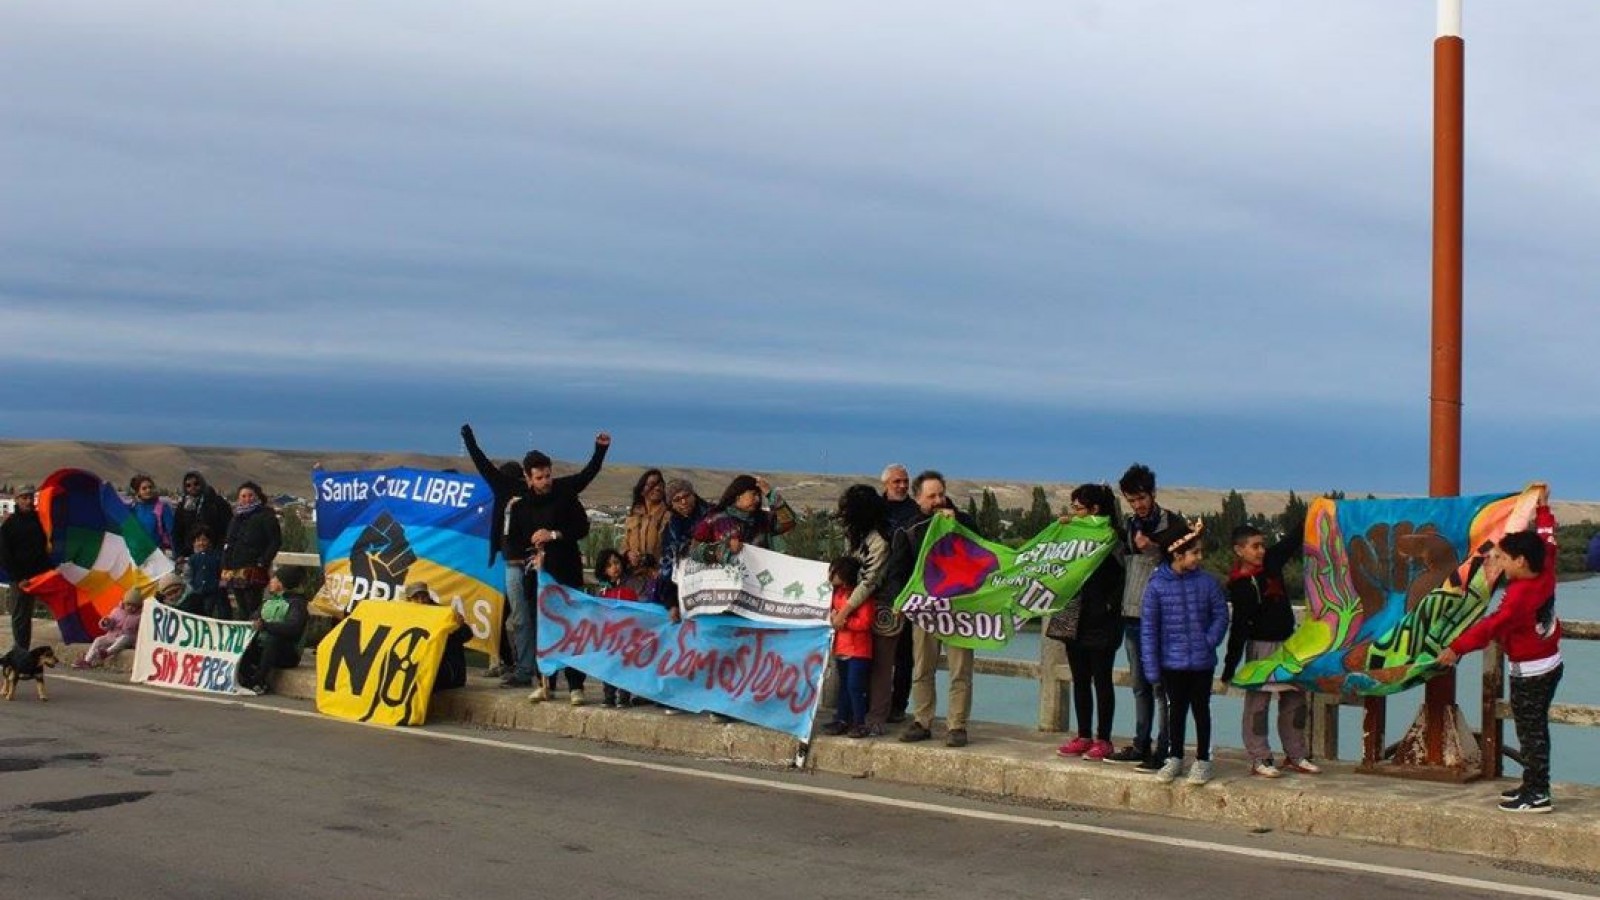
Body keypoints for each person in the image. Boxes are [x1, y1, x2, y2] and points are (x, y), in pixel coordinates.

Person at [1438, 498, 1561, 813]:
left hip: (1532, 672)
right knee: (1533, 730)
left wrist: (1455, 648)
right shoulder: (1545, 566)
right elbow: (1548, 538)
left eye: (1503, 558)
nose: (1499, 562)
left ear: (1520, 561)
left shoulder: (1519, 597)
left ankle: (1538, 794)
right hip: (1548, 664)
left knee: (1531, 732)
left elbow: (1491, 627)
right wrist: (1542, 509)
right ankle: (1532, 784)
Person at [505, 433, 610, 704]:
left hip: (566, 573)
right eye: (539, 478)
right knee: (544, 629)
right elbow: (514, 541)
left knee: (571, 629)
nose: (545, 482)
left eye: (548, 476)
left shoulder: (564, 494)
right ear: (528, 478)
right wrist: (530, 552)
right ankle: (546, 682)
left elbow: (581, 527)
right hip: (537, 575)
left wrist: (553, 535)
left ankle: (576, 685)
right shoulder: (520, 507)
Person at [881, 470, 980, 748]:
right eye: (931, 496)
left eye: (941, 494)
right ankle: (922, 720)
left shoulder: (965, 522)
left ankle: (957, 725)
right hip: (925, 612)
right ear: (918, 498)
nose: (938, 500)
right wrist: (898, 600)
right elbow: (897, 571)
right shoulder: (908, 530)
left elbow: (984, 553)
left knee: (961, 670)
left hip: (960, 608)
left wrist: (957, 522)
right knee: (922, 668)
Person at [1222, 521, 1320, 778]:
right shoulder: (1239, 585)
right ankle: (1260, 757)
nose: (1261, 550)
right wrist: (1230, 667)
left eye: (1262, 545)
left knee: (1295, 700)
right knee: (1258, 705)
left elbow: (1292, 538)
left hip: (1289, 645)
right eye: (1255, 546)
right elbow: (1239, 628)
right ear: (1239, 550)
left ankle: (1296, 754)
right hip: (1261, 648)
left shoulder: (1273, 562)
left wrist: (1313, 513)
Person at [1106, 463, 1182, 772]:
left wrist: (1153, 549)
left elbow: (1183, 565)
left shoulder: (1174, 524)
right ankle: (1141, 743)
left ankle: (1164, 749)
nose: (1137, 506)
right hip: (1133, 613)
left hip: (1164, 618)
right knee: (1139, 684)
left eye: (1141, 498)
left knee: (1162, 687)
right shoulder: (1129, 524)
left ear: (1152, 493)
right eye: (1131, 500)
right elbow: (1125, 561)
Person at [1141, 520, 1229, 785]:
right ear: (1177, 554)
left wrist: (1209, 640)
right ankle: (1174, 757)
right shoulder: (1156, 586)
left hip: (1201, 662)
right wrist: (1152, 668)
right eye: (1195, 552)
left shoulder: (1208, 583)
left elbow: (1221, 614)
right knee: (1175, 711)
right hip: (1172, 662)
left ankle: (1203, 760)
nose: (1200, 557)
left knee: (1201, 710)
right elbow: (1149, 630)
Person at [1052, 484, 1127, 762]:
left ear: (1095, 510)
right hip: (1075, 617)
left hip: (1103, 620)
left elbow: (1124, 576)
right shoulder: (1071, 536)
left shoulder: (1113, 538)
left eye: (1079, 508)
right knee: (1080, 678)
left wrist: (1110, 605)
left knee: (1101, 680)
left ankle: (1103, 739)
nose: (1074, 513)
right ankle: (1083, 735)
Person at [462, 423, 537, 677]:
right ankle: (518, 663)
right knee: (516, 615)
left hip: (514, 562)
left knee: (516, 616)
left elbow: (481, 462)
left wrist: (468, 437)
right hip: (513, 561)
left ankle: (521, 666)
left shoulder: (506, 489)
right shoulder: (532, 492)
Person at [829, 485, 891, 736]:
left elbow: (868, 581)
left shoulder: (879, 542)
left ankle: (867, 720)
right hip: (846, 621)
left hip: (871, 609)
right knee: (846, 681)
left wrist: (844, 613)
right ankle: (843, 718)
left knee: (875, 673)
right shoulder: (854, 537)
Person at [880, 464, 918, 723]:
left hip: (907, 589)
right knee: (874, 652)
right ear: (885, 484)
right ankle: (874, 704)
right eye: (897, 481)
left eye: (905, 481)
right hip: (877, 588)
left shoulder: (916, 511)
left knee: (904, 655)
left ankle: (898, 706)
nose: (902, 485)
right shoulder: (874, 510)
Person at [821, 556, 874, 738]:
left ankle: (860, 722)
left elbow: (865, 622)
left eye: (834, 571)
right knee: (844, 686)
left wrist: (844, 622)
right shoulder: (837, 594)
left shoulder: (859, 596)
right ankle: (842, 719)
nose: (831, 575)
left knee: (855, 687)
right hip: (842, 648)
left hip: (858, 650)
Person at [690, 475, 797, 564]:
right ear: (738, 496)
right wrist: (719, 551)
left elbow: (789, 522)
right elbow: (694, 549)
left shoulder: (764, 518)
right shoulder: (715, 519)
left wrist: (771, 495)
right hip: (726, 582)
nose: (758, 499)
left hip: (759, 579)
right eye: (753, 494)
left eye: (759, 495)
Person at [238, 567, 309, 695]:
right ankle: (246, 677)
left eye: (274, 579)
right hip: (263, 648)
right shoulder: (268, 601)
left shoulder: (296, 604)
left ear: (281, 583)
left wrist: (266, 626)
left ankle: (259, 681)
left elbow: (293, 628)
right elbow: (254, 619)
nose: (270, 582)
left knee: (274, 638)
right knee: (246, 639)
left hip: (286, 653)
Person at [1, 485, 51, 651]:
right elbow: (5, 556)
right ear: (16, 499)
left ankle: (23, 651)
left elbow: (46, 545)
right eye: (24, 498)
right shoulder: (9, 526)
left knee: (31, 614)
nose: (28, 501)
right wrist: (18, 578)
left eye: (30, 497)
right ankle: (20, 653)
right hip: (21, 579)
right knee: (20, 616)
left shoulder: (40, 521)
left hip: (40, 576)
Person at [221, 481, 281, 621]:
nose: (247, 499)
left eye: (250, 495)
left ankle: (255, 640)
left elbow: (275, 541)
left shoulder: (266, 516)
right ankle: (245, 640)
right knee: (241, 608)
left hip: (254, 569)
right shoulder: (236, 518)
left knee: (253, 606)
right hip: (234, 569)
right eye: (243, 496)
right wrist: (225, 563)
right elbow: (229, 541)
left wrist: (263, 561)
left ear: (257, 496)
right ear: (239, 498)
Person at [653, 478, 710, 621]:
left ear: (693, 494)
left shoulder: (713, 516)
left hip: (714, 590)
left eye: (686, 496)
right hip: (688, 595)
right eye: (677, 499)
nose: (683, 502)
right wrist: (672, 603)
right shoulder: (671, 530)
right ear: (671, 504)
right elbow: (668, 567)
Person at [404, 581, 474, 693]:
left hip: (449, 672)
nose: (421, 601)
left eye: (424, 597)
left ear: (429, 596)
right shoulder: (406, 616)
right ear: (408, 600)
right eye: (416, 598)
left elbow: (468, 635)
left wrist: (459, 626)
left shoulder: (443, 614)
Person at [592, 548, 639, 709]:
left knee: (626, 664)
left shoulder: (630, 584)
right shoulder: (602, 590)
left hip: (627, 635)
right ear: (603, 570)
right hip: (609, 636)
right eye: (609, 565)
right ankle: (609, 695)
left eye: (616, 563)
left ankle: (624, 696)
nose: (614, 567)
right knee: (608, 664)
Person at [72, 589, 143, 668]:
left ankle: (107, 653)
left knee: (125, 637)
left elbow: (140, 631)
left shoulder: (138, 617)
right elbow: (110, 623)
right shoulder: (117, 611)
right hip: (112, 636)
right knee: (98, 640)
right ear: (124, 603)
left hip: (127, 639)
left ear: (138, 607)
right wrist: (106, 622)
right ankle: (87, 660)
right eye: (128, 604)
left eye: (134, 606)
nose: (130, 608)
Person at [622, 469, 669, 584]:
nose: (657, 488)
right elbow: (624, 544)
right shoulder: (634, 515)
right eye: (652, 484)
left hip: (658, 578)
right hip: (632, 576)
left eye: (660, 485)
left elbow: (673, 548)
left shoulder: (669, 515)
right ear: (642, 489)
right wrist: (628, 554)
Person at [174, 471, 232, 563]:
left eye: (196, 484)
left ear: (202, 483)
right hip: (189, 554)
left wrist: (220, 552)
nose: (192, 487)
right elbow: (177, 531)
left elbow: (227, 528)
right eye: (188, 485)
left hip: (214, 552)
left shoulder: (217, 502)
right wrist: (179, 553)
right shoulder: (183, 506)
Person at [183, 528, 230, 619]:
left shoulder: (217, 556)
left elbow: (224, 571)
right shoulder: (192, 559)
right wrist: (191, 587)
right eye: (198, 540)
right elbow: (188, 575)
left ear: (210, 541)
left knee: (219, 612)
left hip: (215, 591)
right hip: (198, 592)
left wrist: (223, 582)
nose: (201, 543)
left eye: (204, 540)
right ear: (194, 543)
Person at [126, 474, 176, 557]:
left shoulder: (163, 508)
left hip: (157, 555)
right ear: (138, 491)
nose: (148, 490)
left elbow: (172, 533)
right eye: (144, 488)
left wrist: (176, 554)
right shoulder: (133, 508)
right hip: (137, 555)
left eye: (150, 487)